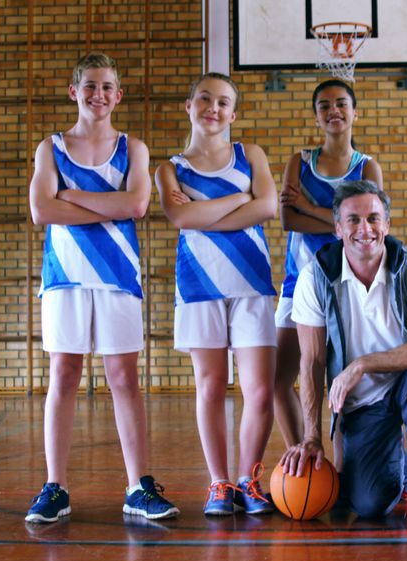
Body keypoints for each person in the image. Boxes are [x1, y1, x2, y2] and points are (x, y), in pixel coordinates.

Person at [25, 53, 178, 523]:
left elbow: (136, 204)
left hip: (117, 275)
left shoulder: (134, 148)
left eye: (107, 87)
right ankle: (56, 487)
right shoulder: (50, 148)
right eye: (90, 86)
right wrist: (104, 206)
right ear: (74, 92)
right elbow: (41, 212)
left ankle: (138, 486)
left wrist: (70, 196)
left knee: (123, 378)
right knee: (64, 376)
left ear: (119, 95)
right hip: (65, 276)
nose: (99, 95)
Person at [279, 180, 407, 529]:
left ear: (386, 225)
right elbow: (311, 363)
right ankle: (401, 463)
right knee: (368, 503)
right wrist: (312, 436)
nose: (365, 229)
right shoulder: (314, 277)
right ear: (338, 228)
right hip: (364, 405)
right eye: (354, 220)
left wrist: (361, 365)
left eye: (374, 219)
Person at [155, 72, 278, 517]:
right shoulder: (170, 168)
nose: (214, 108)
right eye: (204, 98)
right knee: (210, 386)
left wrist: (204, 211)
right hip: (199, 283)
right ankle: (219, 483)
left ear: (233, 112)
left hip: (251, 282)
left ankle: (249, 479)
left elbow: (268, 206)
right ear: (188, 105)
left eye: (224, 102)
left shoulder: (251, 154)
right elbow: (180, 219)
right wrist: (237, 199)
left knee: (260, 391)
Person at [274, 80, 383, 462]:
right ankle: (301, 459)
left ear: (355, 112)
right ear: (317, 114)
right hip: (298, 280)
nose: (333, 110)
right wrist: (334, 218)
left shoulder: (366, 166)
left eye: (341, 103)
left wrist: (309, 205)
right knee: (279, 380)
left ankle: (341, 467)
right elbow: (288, 219)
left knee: (338, 379)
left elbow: (368, 226)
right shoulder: (299, 162)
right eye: (324, 105)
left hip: (347, 283)